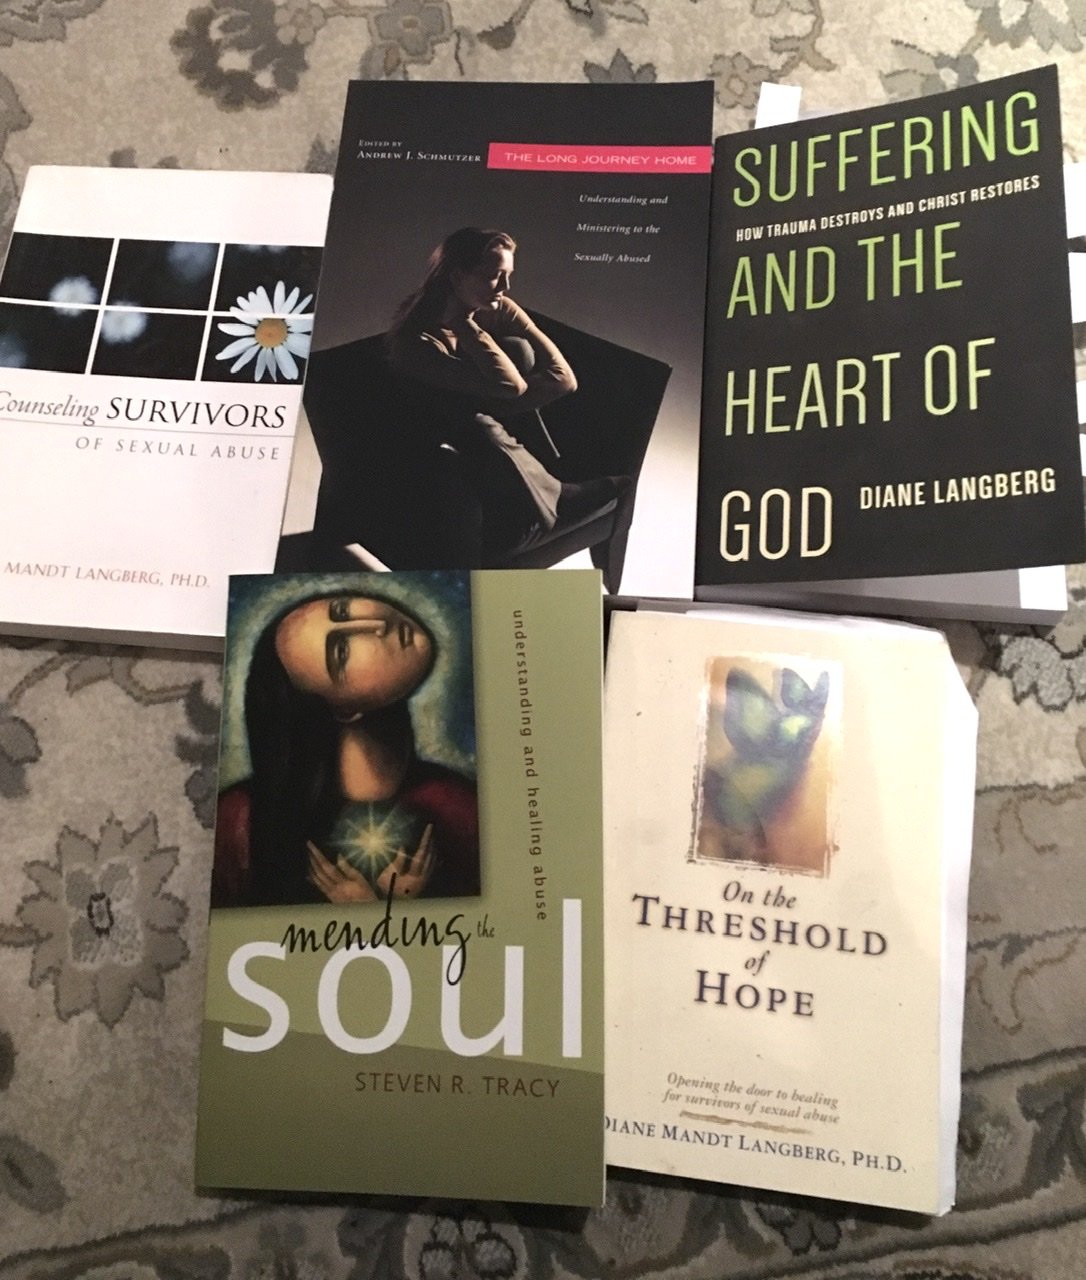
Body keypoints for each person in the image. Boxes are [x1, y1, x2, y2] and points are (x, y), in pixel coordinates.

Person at [212, 587, 479, 908]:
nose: (376, 626)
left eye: (341, 610)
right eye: (342, 650)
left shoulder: (456, 803)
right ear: (342, 710)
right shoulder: (239, 826)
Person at [386, 227, 622, 560]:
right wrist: (465, 325)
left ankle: (560, 503)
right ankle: (541, 506)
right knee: (621, 487)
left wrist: (505, 321)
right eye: (494, 276)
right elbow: (511, 387)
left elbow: (565, 380)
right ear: (457, 277)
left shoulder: (491, 307)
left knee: (519, 350)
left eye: (508, 275)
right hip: (449, 442)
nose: (505, 286)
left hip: (489, 415)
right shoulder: (417, 343)